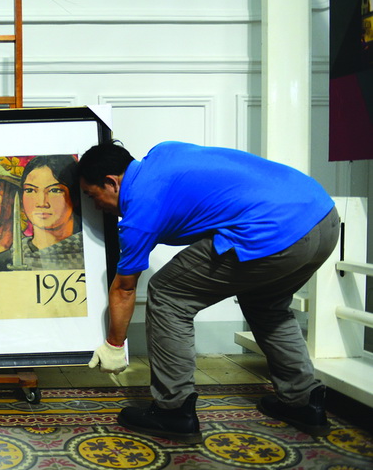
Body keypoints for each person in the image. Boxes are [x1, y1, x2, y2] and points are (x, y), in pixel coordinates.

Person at [79, 141, 338, 443]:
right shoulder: (163, 152)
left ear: (112, 182)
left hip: (275, 230)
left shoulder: (139, 210)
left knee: (167, 295)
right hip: (323, 217)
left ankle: (173, 410)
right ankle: (303, 402)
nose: (97, 207)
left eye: (92, 196)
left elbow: (124, 289)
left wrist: (113, 345)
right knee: (266, 304)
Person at [0, 155, 83, 271]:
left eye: (54, 190)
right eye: (30, 190)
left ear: (75, 197)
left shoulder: (91, 256)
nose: (41, 203)